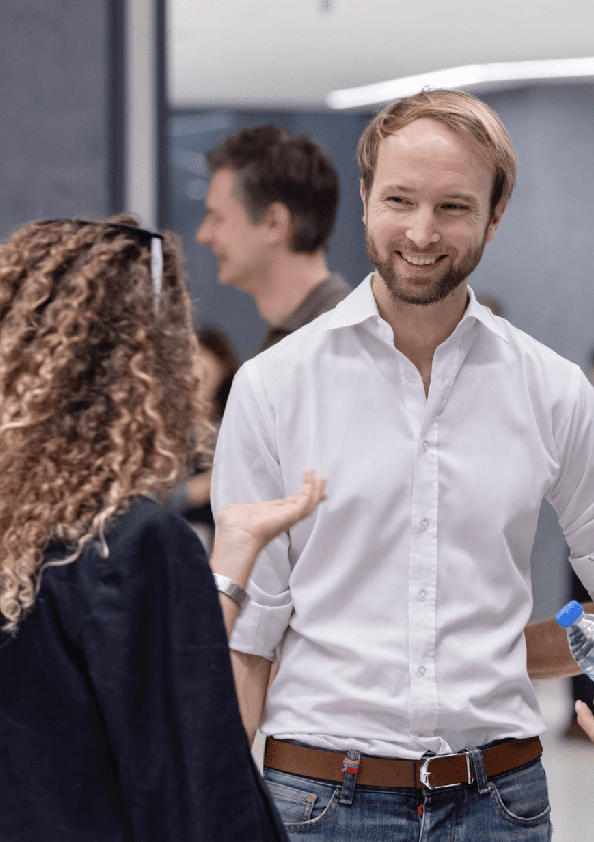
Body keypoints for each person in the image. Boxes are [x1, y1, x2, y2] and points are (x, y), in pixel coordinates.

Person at [211, 90, 594, 840]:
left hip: (502, 802)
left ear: (496, 210)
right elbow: (251, 639)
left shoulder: (552, 390)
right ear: (364, 199)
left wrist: (530, 651)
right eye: (399, 199)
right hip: (318, 802)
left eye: (453, 206)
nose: (421, 233)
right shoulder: (275, 385)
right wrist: (214, 807)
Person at [0, 214, 326, 842]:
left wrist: (230, 553)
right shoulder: (132, 544)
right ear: (146, 362)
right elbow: (195, 784)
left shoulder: (28, 543)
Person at [196, 125, 351, 354]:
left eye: (217, 218)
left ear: (274, 223)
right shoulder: (297, 338)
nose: (203, 235)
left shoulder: (342, 346)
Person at [166, 325, 240, 554]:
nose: (195, 370)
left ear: (223, 366)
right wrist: (193, 491)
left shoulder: (238, 424)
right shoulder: (164, 429)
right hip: (175, 544)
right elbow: (144, 503)